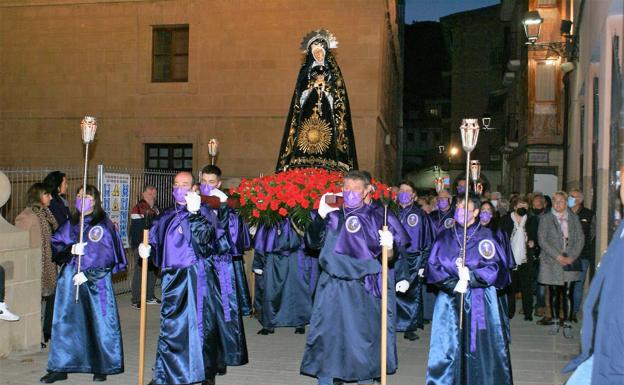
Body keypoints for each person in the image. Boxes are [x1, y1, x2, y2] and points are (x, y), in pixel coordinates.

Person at [300, 170, 408, 385]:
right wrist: (319, 217)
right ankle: (327, 380)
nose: (349, 193)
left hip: (363, 287)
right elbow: (311, 243)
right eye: (346, 188)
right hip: (332, 285)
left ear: (367, 190)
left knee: (363, 341)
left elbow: (389, 257)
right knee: (328, 337)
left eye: (355, 189)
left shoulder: (379, 217)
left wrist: (389, 245)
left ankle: (364, 379)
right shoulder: (333, 216)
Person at [140, 171, 226, 385]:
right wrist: (146, 250)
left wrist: (195, 214)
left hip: (197, 276)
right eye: (176, 184)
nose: (180, 188)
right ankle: (163, 372)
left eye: (185, 184)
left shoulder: (205, 212)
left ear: (193, 187)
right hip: (172, 278)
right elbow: (156, 243)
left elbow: (207, 242)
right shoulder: (164, 216)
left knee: (201, 324)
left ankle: (206, 373)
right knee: (170, 325)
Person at [40, 184, 126, 383]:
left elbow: (109, 256)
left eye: (86, 196)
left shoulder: (103, 225)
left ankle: (102, 364)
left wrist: (90, 275)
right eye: (78, 196)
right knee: (65, 322)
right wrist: (71, 250)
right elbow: (56, 246)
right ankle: (60, 366)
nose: (81, 199)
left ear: (94, 200)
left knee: (99, 322)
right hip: (71, 280)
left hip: (96, 282)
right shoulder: (71, 223)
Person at [425, 194, 513, 385]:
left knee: (479, 346)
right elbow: (433, 266)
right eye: (458, 206)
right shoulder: (445, 235)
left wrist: (472, 277)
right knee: (448, 346)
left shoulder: (486, 237)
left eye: (466, 207)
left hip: (479, 299)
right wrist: (453, 284)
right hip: (449, 299)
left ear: (475, 212)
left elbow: (498, 268)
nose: (460, 211)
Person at [562, 172, 624, 384]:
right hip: (605, 340)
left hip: (615, 347)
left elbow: (587, 236)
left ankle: (571, 315)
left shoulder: (588, 213)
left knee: (576, 287)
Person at [275, 29, 358, 172]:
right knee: (303, 136)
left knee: (329, 138)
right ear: (311, 54)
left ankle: (331, 162)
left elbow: (339, 98)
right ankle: (298, 163)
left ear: (326, 53)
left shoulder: (334, 74)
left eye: (320, 51)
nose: (318, 54)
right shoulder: (305, 73)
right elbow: (298, 98)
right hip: (307, 112)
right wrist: (311, 88)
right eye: (315, 52)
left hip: (327, 114)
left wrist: (326, 89)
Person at [198, 164, 249, 373]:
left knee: (223, 314)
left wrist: (223, 210)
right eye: (204, 182)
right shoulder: (193, 204)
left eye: (212, 183)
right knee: (203, 315)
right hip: (200, 267)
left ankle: (222, 356)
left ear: (219, 184)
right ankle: (205, 359)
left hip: (221, 268)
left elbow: (233, 240)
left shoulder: (227, 208)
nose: (207, 186)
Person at [15, 183, 58, 344]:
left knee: (50, 298)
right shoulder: (27, 217)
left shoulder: (45, 214)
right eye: (47, 194)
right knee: (34, 303)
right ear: (38, 196)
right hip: (34, 266)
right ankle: (34, 336)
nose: (51, 197)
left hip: (47, 264)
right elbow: (20, 243)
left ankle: (47, 331)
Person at [537, 191, 584, 338]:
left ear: (566, 202)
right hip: (551, 261)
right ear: (552, 202)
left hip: (570, 259)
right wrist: (557, 256)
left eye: (562, 201)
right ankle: (555, 320)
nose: (558, 204)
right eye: (556, 201)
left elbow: (580, 238)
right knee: (554, 291)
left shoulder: (574, 218)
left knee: (568, 292)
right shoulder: (545, 219)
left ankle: (568, 323)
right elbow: (542, 240)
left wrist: (571, 256)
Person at [394, 180, 434, 341]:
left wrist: (423, 263)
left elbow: (428, 240)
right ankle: (392, 323)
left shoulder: (420, 215)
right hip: (393, 258)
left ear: (414, 195)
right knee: (392, 292)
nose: (403, 193)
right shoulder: (391, 212)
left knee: (412, 293)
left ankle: (409, 327)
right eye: (401, 190)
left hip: (413, 259)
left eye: (407, 190)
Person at [500, 196, 539, 320]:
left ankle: (528, 313)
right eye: (521, 206)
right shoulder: (505, 219)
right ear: (515, 206)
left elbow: (537, 235)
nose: (523, 208)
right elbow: (500, 236)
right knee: (510, 287)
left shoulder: (532, 220)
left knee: (526, 287)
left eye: (526, 207)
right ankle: (510, 312)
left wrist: (533, 241)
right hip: (509, 258)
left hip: (525, 258)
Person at [130, 185, 160, 309]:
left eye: (153, 193)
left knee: (152, 271)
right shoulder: (137, 209)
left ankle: (149, 296)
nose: (151, 195)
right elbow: (137, 229)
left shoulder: (157, 210)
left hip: (153, 245)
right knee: (139, 271)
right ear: (143, 194)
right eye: (149, 193)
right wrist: (139, 245)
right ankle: (136, 299)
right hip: (141, 245)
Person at [568, 188, 595, 322]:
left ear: (579, 200)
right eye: (569, 196)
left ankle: (573, 312)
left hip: (583, 255)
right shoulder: (564, 213)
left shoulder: (588, 214)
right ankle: (564, 310)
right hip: (565, 254)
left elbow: (592, 233)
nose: (570, 199)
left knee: (578, 284)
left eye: (572, 197)